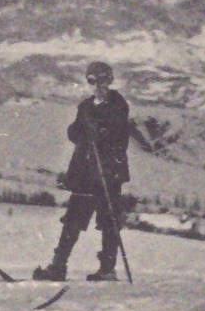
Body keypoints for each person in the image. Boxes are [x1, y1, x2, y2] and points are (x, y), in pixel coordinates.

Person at [33, 61, 131, 282]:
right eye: (92, 80)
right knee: (73, 219)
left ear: (110, 80)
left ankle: (107, 269)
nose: (97, 85)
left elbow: (118, 135)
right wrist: (82, 131)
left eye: (101, 80)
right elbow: (75, 132)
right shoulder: (85, 106)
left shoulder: (118, 104)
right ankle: (58, 266)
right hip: (85, 173)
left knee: (109, 221)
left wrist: (100, 133)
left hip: (108, 173)